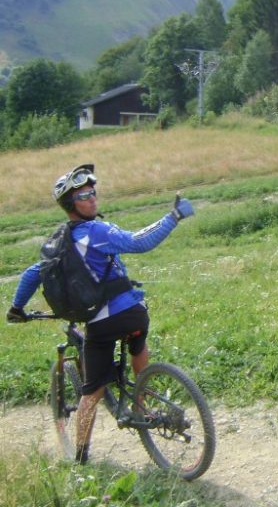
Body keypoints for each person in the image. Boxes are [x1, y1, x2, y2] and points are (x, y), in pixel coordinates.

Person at [6, 164, 195, 464]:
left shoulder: (60, 242)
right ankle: (142, 405)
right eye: (85, 195)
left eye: (93, 192)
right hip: (134, 314)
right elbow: (139, 241)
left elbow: (33, 274)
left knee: (91, 392)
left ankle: (79, 460)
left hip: (102, 323)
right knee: (138, 342)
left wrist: (17, 309)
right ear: (71, 204)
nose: (93, 198)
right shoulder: (96, 232)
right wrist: (174, 215)